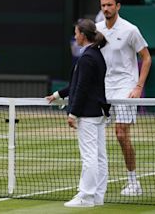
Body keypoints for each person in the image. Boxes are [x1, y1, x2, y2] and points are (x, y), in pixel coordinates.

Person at [47, 19, 110, 207]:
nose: (75, 37)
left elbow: (82, 87)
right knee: (99, 156)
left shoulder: (87, 57)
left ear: (83, 34)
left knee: (90, 156)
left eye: (76, 33)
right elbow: (78, 83)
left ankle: (86, 196)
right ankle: (97, 196)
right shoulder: (95, 54)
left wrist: (72, 113)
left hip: (89, 113)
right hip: (97, 111)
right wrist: (57, 95)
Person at [96, 0, 152, 196]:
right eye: (103, 6)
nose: (106, 9)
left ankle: (133, 182)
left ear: (118, 6)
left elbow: (146, 58)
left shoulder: (130, 30)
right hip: (104, 87)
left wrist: (138, 86)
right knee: (94, 133)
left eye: (110, 5)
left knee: (121, 134)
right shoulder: (97, 29)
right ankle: (97, 180)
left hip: (126, 87)